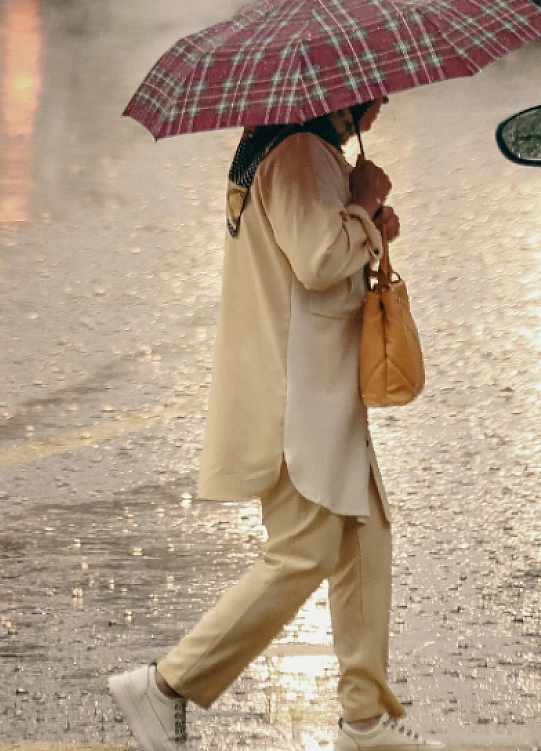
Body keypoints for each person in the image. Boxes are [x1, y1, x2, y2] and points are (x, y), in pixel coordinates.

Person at [109, 97, 444, 751]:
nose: (384, 102)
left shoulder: (285, 144)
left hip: (319, 387)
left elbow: (315, 246)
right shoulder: (296, 151)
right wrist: (367, 208)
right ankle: (166, 683)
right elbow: (318, 260)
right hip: (299, 394)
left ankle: (364, 720)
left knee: (363, 537)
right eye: (374, 90)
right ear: (346, 92)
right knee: (305, 549)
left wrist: (365, 217)